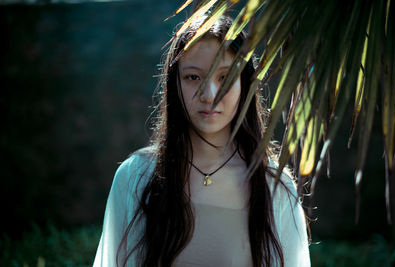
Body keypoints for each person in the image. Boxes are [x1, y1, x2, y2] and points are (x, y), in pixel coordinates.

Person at [93, 15, 310, 267]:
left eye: (225, 78)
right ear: (175, 84)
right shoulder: (135, 177)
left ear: (245, 82)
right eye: (193, 77)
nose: (210, 95)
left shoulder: (275, 187)